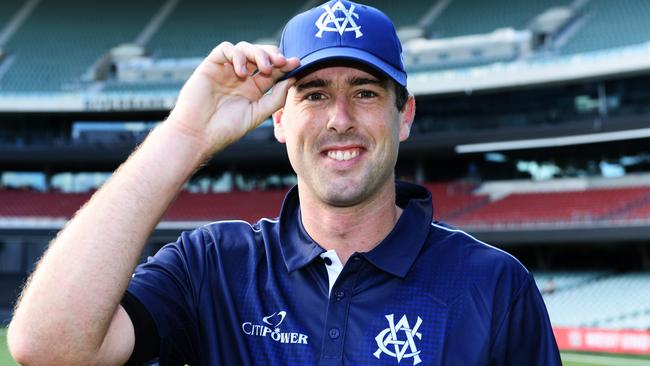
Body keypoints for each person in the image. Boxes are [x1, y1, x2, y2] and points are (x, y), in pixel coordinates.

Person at [8, 1, 561, 365]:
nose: (339, 118)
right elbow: (46, 348)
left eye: (365, 92)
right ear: (277, 119)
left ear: (405, 114)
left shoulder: (494, 286)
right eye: (314, 94)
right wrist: (183, 136)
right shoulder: (213, 266)